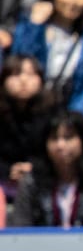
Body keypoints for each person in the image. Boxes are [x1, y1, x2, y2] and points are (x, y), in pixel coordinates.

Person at [10, 0, 83, 123]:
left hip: (70, 117)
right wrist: (34, 26)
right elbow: (19, 63)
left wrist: (75, 118)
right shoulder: (32, 26)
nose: (74, 0)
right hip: (29, 114)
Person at [7, 110, 83, 227]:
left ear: (82, 141)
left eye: (68, 138)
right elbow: (21, 229)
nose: (60, 145)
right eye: (54, 138)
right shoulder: (31, 183)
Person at [0, 55, 55, 203]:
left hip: (43, 186)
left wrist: (34, 168)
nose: (23, 80)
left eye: (30, 74)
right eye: (16, 74)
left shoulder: (53, 112)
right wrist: (8, 170)